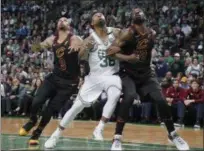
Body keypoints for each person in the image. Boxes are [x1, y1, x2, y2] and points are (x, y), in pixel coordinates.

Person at [107, 8, 189, 150]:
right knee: (129, 97)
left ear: (144, 17)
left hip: (145, 74)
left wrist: (147, 63)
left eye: (140, 12)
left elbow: (145, 52)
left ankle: (173, 134)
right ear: (132, 19)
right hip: (128, 73)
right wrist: (128, 58)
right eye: (135, 12)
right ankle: (117, 137)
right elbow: (109, 52)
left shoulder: (152, 34)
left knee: (161, 100)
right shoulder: (127, 34)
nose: (138, 13)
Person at [44, 12, 122, 149]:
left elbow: (130, 41)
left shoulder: (115, 32)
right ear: (92, 24)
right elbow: (80, 57)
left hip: (111, 75)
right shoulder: (89, 40)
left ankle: (99, 128)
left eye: (101, 14)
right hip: (94, 78)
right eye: (95, 16)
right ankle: (55, 135)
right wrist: (85, 49)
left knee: (115, 94)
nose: (99, 15)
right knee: (76, 107)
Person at [19, 17, 83, 145]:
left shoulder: (75, 38)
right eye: (59, 20)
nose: (61, 21)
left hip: (68, 84)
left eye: (65, 20)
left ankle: (36, 134)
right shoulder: (52, 39)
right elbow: (38, 48)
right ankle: (32, 120)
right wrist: (33, 45)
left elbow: (84, 47)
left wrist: (82, 46)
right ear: (56, 25)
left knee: (49, 111)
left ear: (69, 25)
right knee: (37, 101)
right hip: (54, 78)